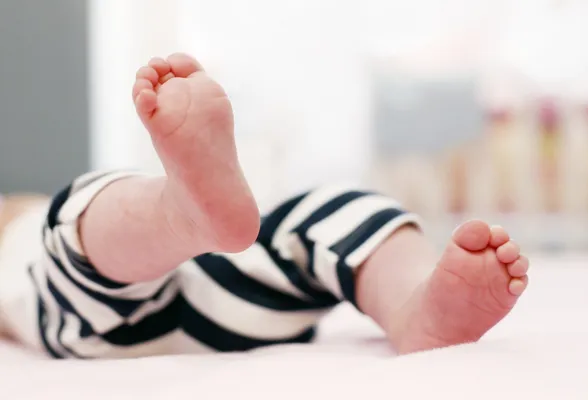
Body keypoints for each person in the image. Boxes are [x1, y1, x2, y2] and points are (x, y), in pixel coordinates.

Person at [0, 53, 529, 359]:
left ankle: (414, 304)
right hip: (112, 315)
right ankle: (175, 213)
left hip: (222, 279)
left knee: (329, 208)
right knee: (74, 223)